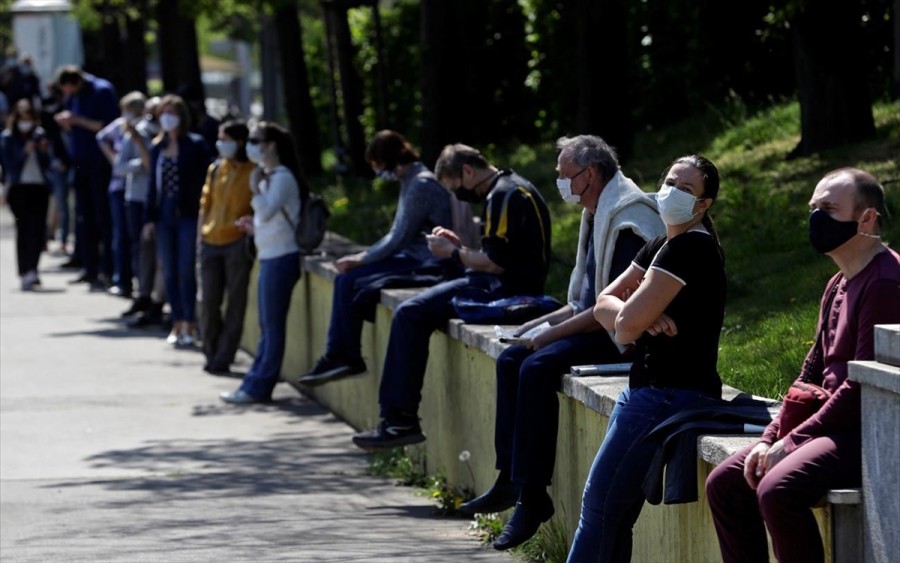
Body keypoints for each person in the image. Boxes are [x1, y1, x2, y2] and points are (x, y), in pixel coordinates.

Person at [462, 135, 665, 551]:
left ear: (589, 175)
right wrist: (530, 330)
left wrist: (548, 336)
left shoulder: (629, 217)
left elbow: (612, 311)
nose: (559, 182)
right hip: (595, 323)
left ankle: (534, 497)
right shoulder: (596, 210)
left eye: (563, 175)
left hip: (621, 338)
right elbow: (579, 301)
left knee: (536, 368)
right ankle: (509, 480)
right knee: (511, 358)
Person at [705, 168, 900, 563]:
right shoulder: (837, 283)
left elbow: (860, 387)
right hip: (829, 423)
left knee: (777, 490)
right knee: (724, 483)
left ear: (867, 218)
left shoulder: (884, 281)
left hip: (866, 431)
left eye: (829, 208)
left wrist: (789, 443)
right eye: (813, 208)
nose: (816, 218)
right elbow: (811, 371)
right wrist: (769, 437)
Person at [566, 155, 726, 562]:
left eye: (686, 189)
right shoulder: (662, 245)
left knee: (600, 509)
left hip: (668, 396)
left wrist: (634, 317)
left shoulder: (689, 249)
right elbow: (605, 300)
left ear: (704, 204)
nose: (671, 191)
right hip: (647, 392)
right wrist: (640, 317)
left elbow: (619, 327)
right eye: (669, 181)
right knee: (611, 515)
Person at [351, 143, 553, 450]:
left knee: (410, 312)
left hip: (505, 290)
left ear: (468, 171)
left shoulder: (502, 195)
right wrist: (460, 247)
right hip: (503, 282)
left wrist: (454, 252)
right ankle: (397, 418)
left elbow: (496, 264)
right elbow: (497, 253)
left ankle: (399, 420)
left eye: (455, 186)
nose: (458, 194)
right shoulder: (514, 186)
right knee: (416, 308)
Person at [298, 130, 457, 386]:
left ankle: (344, 356)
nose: (378, 172)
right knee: (346, 279)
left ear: (391, 158)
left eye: (378, 165)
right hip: (411, 255)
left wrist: (361, 259)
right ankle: (339, 354)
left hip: (423, 261)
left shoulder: (420, 184)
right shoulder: (411, 180)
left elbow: (399, 237)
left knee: (349, 279)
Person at [220, 121, 303, 404]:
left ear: (271, 146)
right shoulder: (270, 176)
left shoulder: (281, 177)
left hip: (282, 258)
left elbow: (267, 210)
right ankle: (255, 383)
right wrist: (252, 227)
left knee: (272, 327)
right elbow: (269, 220)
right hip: (271, 257)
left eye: (256, 140)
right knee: (267, 326)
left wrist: (254, 188)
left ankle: (258, 386)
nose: (250, 146)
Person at [144, 94, 212, 346]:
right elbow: (153, 184)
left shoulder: (195, 144)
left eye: (172, 112)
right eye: (163, 112)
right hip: (164, 215)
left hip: (188, 214)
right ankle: (176, 322)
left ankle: (190, 324)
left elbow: (204, 182)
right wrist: (149, 218)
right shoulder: (157, 147)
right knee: (169, 271)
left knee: (186, 269)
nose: (167, 117)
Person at [198, 120, 255, 375]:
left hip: (236, 243)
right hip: (211, 241)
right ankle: (210, 351)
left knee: (235, 302)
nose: (221, 143)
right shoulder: (215, 168)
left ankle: (224, 355)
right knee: (208, 301)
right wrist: (200, 236)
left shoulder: (254, 171)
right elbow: (205, 204)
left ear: (240, 142)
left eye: (226, 138)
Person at [54, 65, 119, 290]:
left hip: (99, 162)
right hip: (79, 161)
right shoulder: (73, 96)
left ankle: (108, 269)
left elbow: (108, 126)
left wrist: (77, 120)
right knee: (83, 217)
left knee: (103, 216)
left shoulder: (102, 91)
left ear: (77, 82)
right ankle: (89, 268)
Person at [97, 91, 148, 298]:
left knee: (138, 239)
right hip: (120, 187)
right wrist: (115, 160)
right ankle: (123, 278)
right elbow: (101, 137)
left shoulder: (144, 130)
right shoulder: (120, 126)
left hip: (138, 190)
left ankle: (139, 282)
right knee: (121, 236)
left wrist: (129, 166)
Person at [1, 98, 53, 290]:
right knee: (23, 230)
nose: (25, 121)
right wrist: (24, 151)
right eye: (22, 117)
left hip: (39, 186)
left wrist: (43, 151)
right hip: (19, 188)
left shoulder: (39, 134)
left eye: (28, 117)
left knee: (38, 230)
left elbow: (48, 163)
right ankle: (24, 271)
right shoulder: (8, 137)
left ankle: (34, 269)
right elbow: (9, 165)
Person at [119, 96, 161, 319]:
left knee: (162, 254)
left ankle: (158, 300)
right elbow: (120, 166)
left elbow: (153, 166)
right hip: (138, 199)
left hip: (161, 200)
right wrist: (139, 162)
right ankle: (143, 293)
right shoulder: (136, 134)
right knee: (141, 248)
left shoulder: (170, 136)